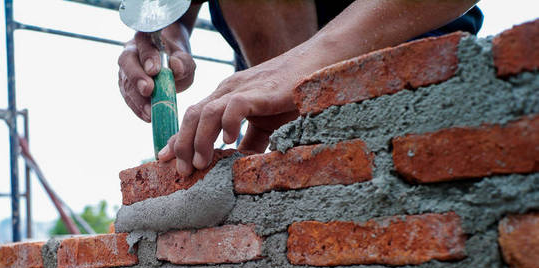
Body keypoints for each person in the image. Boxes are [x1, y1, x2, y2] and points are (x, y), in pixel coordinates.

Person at [118, 0, 483, 176]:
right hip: (276, 92)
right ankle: (293, 169)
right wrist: (166, 39)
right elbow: (171, 11)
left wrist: (306, 63)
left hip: (405, 63)